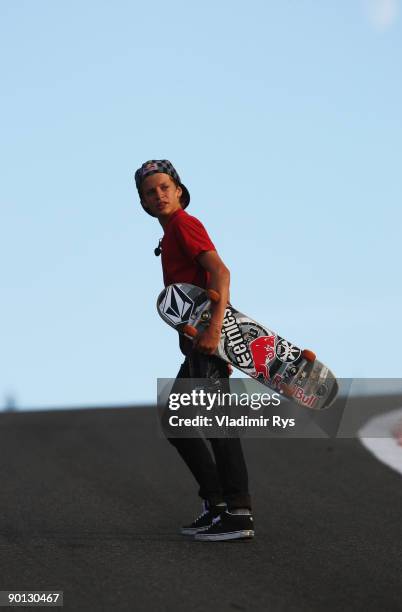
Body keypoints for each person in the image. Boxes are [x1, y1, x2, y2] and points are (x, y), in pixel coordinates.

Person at [135, 160, 254, 541]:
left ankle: (238, 512)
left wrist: (216, 332)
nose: (159, 195)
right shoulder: (170, 235)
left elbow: (221, 273)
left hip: (207, 339)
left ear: (179, 191)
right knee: (177, 419)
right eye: (150, 192)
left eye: (165, 187)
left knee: (218, 421)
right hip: (199, 343)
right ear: (143, 202)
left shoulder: (185, 225)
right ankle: (217, 504)